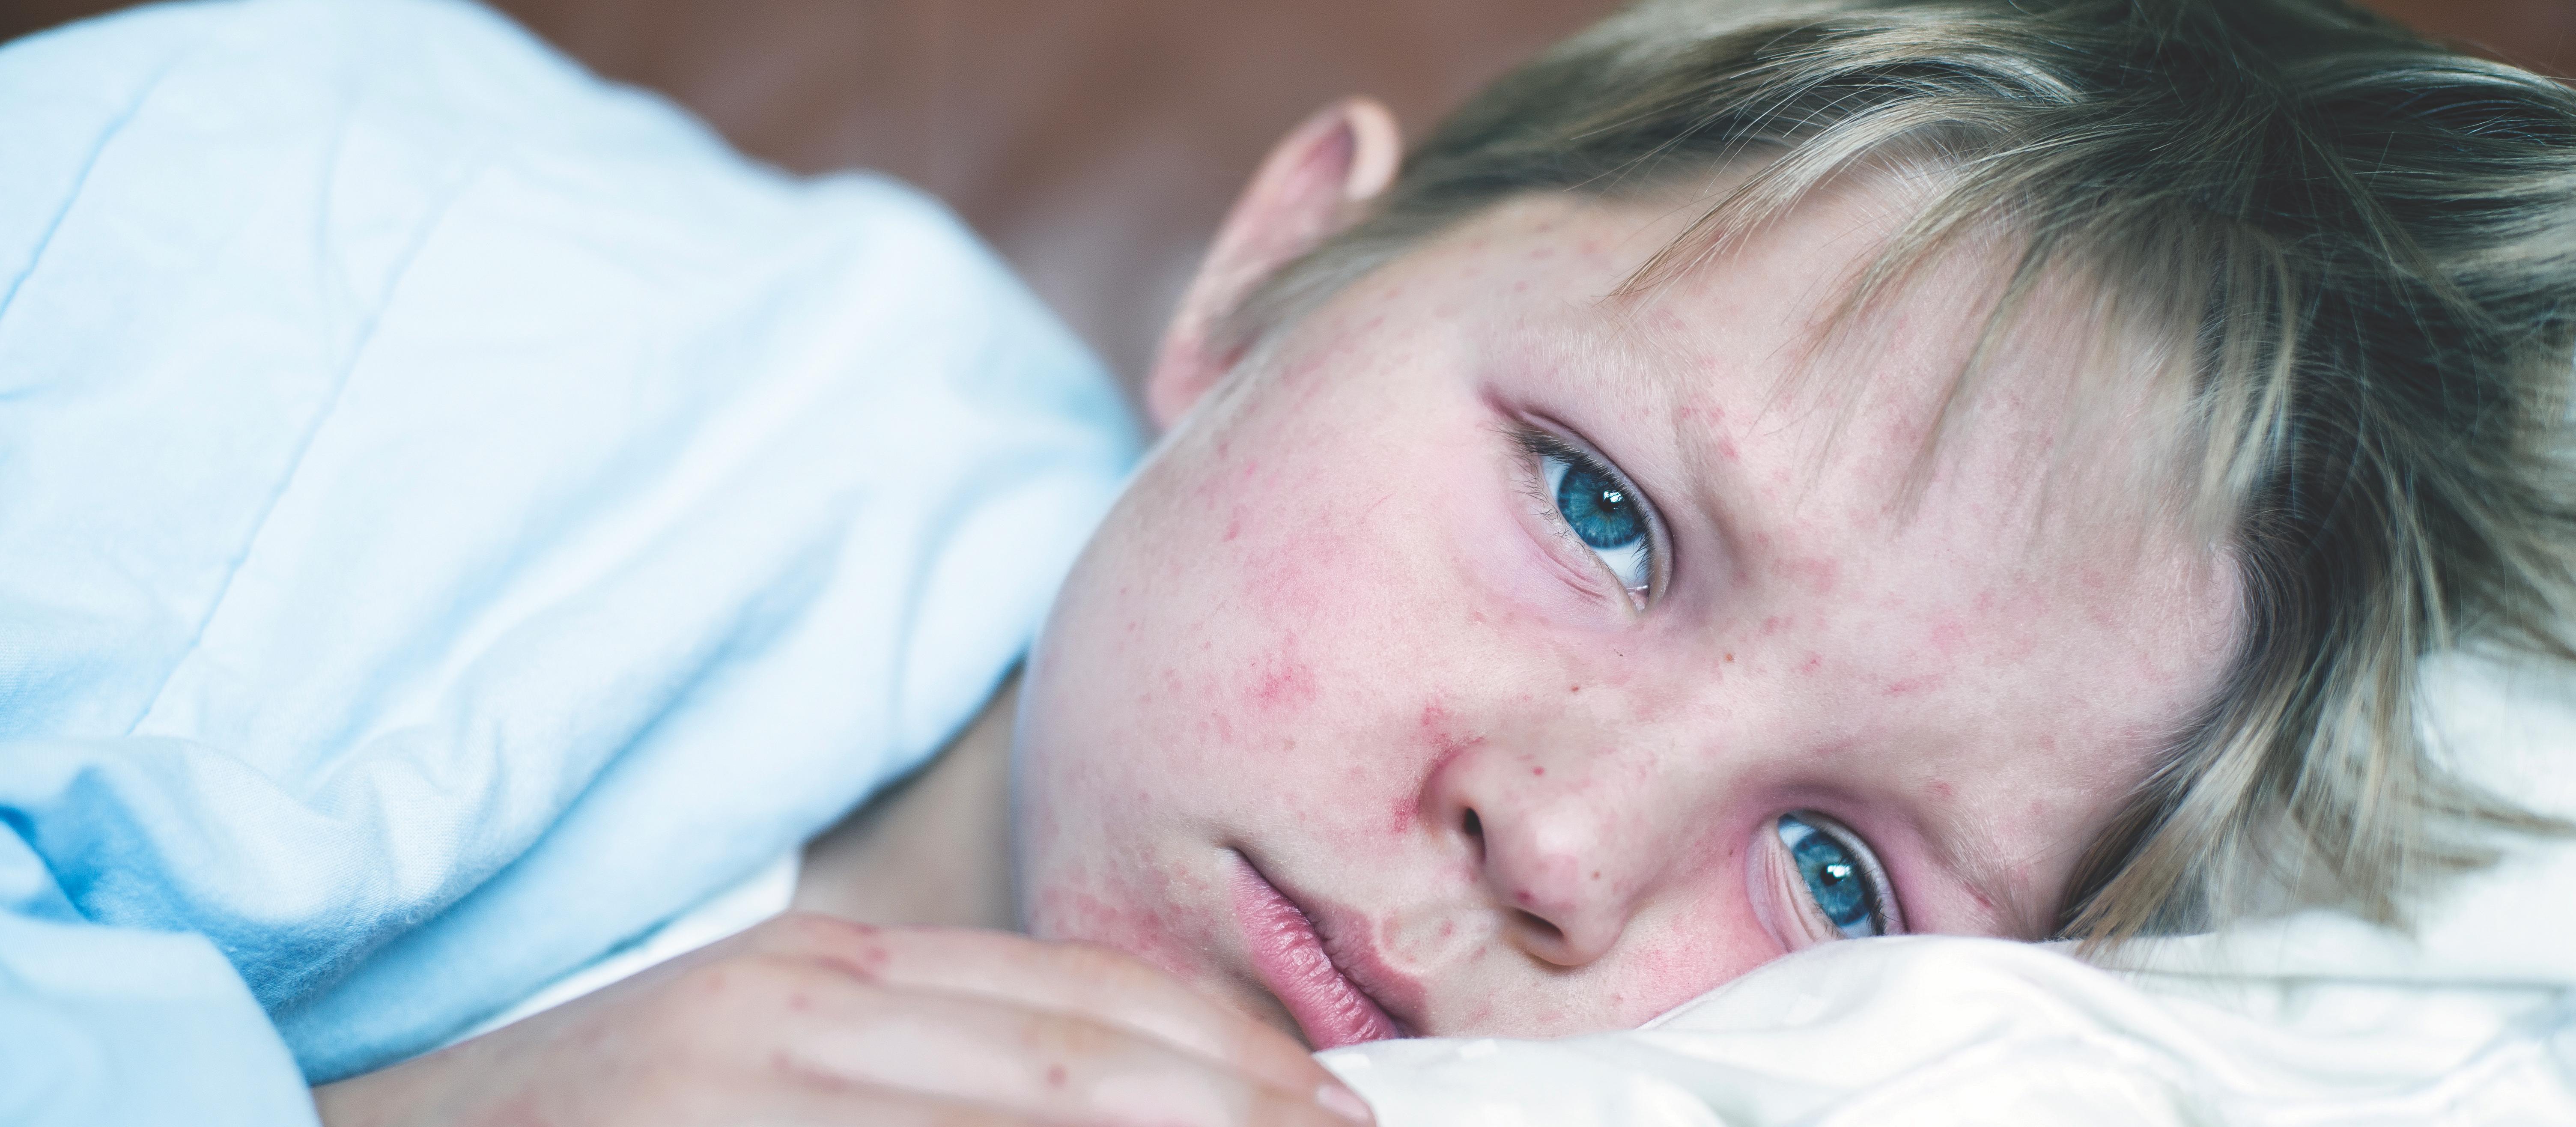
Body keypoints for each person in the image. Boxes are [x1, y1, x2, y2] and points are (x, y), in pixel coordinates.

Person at [3, 0, 2569, 1123]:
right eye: (1599, 509)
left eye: (1834, 869)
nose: (1558, 845)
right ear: (1252, 289)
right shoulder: (336, 264)